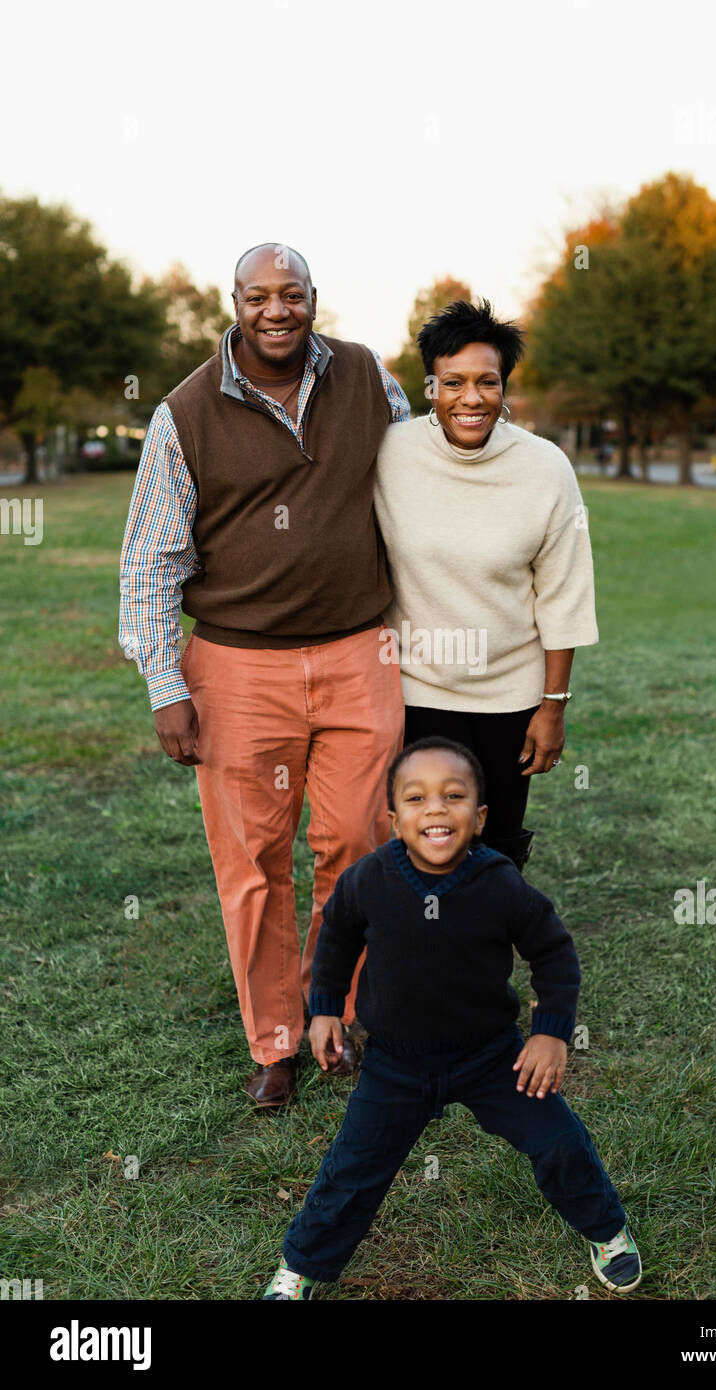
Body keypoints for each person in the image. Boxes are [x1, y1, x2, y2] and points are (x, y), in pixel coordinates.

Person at [119, 243, 409, 1108]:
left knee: (359, 842)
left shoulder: (365, 377)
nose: (275, 309)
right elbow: (149, 561)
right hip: (237, 667)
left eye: (292, 294)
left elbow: (422, 476)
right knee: (252, 861)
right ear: (234, 303)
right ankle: (275, 1040)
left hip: (361, 652)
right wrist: (166, 684)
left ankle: (339, 1016)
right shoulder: (185, 411)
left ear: (314, 299)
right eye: (258, 296)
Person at [262, 738, 640, 1300]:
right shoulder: (369, 880)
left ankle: (608, 1231)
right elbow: (336, 939)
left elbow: (554, 954)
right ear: (393, 820)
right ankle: (302, 1266)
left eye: (454, 795)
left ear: (480, 817)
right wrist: (322, 1012)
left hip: (489, 1056)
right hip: (394, 1063)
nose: (436, 809)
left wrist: (551, 1033)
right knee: (352, 1171)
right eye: (416, 798)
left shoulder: (500, 884)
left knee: (559, 1141)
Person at [373, 299, 597, 873]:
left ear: (504, 388)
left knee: (493, 855)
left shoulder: (545, 468)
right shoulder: (389, 455)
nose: (471, 399)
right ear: (430, 387)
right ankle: (422, 959)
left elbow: (564, 594)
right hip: (415, 694)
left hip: (510, 702)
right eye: (454, 383)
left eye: (487, 383)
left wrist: (554, 705)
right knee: (420, 849)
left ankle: (484, 962)